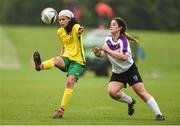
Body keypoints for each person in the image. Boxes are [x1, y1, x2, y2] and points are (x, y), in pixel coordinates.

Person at [92, 17, 165, 121]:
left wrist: (108, 50)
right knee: (112, 92)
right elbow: (105, 54)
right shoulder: (108, 39)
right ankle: (131, 102)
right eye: (111, 24)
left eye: (114, 24)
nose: (111, 26)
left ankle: (159, 114)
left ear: (120, 28)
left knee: (141, 93)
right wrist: (99, 54)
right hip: (117, 71)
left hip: (130, 70)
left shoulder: (123, 41)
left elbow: (124, 57)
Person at [33, 9, 85, 119]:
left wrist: (80, 30)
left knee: (69, 81)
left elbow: (79, 30)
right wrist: (61, 58)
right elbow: (63, 47)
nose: (61, 22)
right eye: (59, 20)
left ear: (69, 19)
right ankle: (40, 66)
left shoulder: (75, 27)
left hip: (78, 62)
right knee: (56, 59)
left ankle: (61, 111)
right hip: (66, 58)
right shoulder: (59, 32)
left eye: (63, 19)